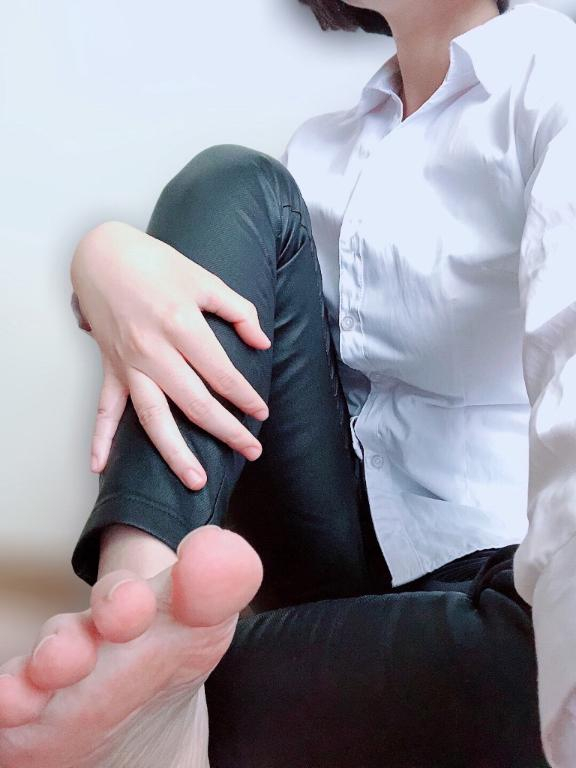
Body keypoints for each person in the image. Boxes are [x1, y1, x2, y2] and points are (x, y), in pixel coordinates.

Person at [0, 0, 575, 765]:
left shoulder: (555, 81)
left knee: (545, 648)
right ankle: (133, 610)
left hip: (499, 587)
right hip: (328, 568)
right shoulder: (319, 154)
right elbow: (207, 308)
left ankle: (174, 701)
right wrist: (101, 259)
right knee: (230, 180)